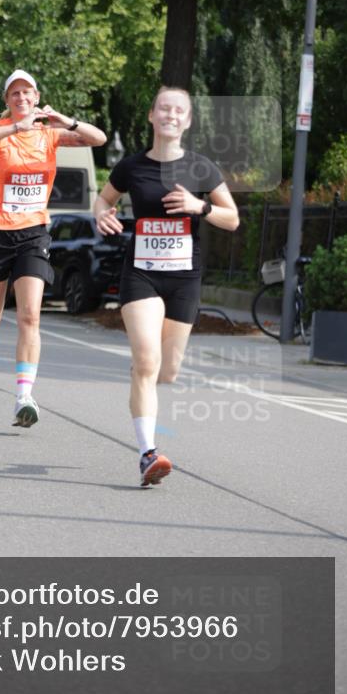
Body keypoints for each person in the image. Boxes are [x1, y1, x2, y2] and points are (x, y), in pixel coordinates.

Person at [94, 86, 239, 487]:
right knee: (146, 362)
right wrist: (101, 214)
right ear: (152, 116)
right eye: (164, 108)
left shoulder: (201, 169)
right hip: (140, 272)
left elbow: (232, 218)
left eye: (179, 111)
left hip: (183, 277)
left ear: (187, 120)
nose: (171, 115)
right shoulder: (131, 167)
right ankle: (147, 454)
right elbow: (103, 200)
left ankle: (145, 377)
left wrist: (201, 207)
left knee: (167, 371)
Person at [0, 69, 107, 427]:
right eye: (14, 94)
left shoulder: (50, 135)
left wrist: (67, 121)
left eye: (27, 92)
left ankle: (24, 396)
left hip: (33, 234)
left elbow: (99, 139)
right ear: (7, 101)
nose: (22, 98)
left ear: (37, 95)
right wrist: (16, 127)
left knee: (30, 315)